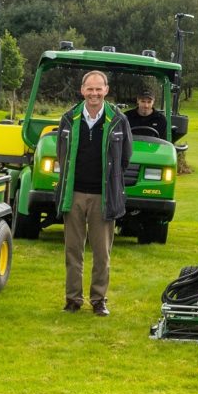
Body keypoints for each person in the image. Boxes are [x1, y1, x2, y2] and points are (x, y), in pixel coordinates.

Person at [55, 69, 133, 316]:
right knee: (73, 251)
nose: (94, 93)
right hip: (74, 194)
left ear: (106, 91)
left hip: (103, 196)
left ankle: (99, 300)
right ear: (82, 90)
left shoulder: (118, 120)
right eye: (90, 89)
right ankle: (73, 300)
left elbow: (125, 158)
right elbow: (61, 154)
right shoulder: (69, 118)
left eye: (99, 89)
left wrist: (111, 182)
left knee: (102, 253)